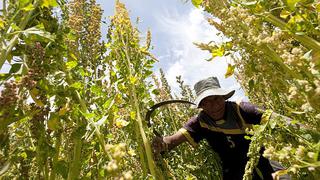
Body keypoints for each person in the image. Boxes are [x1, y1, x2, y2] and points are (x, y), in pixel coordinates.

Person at [152, 76, 290, 180]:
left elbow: (283, 122)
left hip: (262, 156)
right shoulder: (200, 122)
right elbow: (172, 140)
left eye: (216, 99)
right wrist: (160, 143)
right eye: (207, 102)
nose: (214, 106)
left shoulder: (242, 109)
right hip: (232, 168)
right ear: (201, 106)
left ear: (223, 97)